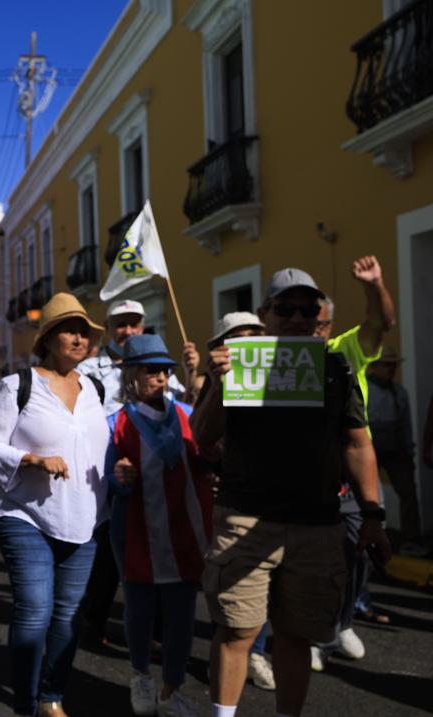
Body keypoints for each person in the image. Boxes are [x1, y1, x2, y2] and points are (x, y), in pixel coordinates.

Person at [191, 268, 390, 717]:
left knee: (296, 635)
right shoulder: (237, 365)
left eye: (308, 309)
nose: (298, 317)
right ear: (265, 315)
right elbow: (203, 436)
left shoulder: (335, 367)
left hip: (316, 524)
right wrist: (218, 384)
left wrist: (373, 514)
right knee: (237, 631)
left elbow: (357, 444)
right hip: (245, 518)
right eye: (286, 309)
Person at [0, 293, 110, 717]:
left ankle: (52, 696)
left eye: (85, 332)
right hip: (25, 515)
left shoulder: (95, 389)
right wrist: (31, 460)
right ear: (49, 338)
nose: (80, 338)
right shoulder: (18, 386)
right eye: (71, 330)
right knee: (36, 609)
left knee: (68, 615)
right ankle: (25, 703)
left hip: (85, 518)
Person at [76, 299, 198, 647]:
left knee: (160, 552)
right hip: (107, 466)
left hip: (158, 471)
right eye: (120, 324)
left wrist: (192, 374)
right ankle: (93, 622)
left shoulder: (161, 365)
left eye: (134, 323)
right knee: (108, 555)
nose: (128, 330)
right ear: (108, 327)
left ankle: (157, 634)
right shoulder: (88, 369)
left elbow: (183, 408)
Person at [106, 334, 211, 717]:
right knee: (139, 611)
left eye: (165, 370)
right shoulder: (115, 422)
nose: (162, 377)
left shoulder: (186, 412)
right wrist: (119, 477)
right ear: (131, 374)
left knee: (182, 616)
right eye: (152, 370)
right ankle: (141, 676)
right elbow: (107, 479)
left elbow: (205, 459)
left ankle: (171, 688)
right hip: (136, 531)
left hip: (184, 528)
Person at [310, 255, 397, 670]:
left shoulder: (344, 350)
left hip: (352, 479)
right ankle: (313, 634)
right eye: (304, 319)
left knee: (360, 554)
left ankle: (342, 623)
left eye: (320, 323)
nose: (313, 329)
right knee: (310, 563)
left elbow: (381, 323)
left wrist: (373, 285)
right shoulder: (276, 361)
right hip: (306, 480)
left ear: (329, 326)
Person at [197, 312, 274, 691]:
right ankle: (232, 658)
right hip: (237, 503)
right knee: (234, 598)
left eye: (256, 335)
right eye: (238, 337)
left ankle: (255, 651)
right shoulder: (215, 383)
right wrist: (215, 386)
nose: (249, 343)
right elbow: (203, 441)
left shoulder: (282, 377)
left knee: (269, 590)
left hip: (280, 504)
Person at [366, 348, 424, 554]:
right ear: (375, 366)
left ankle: (411, 538)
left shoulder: (399, 392)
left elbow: (405, 423)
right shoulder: (365, 390)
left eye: (393, 365)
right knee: (368, 496)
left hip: (397, 449)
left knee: (408, 492)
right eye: (387, 365)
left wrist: (408, 449)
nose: (391, 369)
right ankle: (367, 537)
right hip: (371, 447)